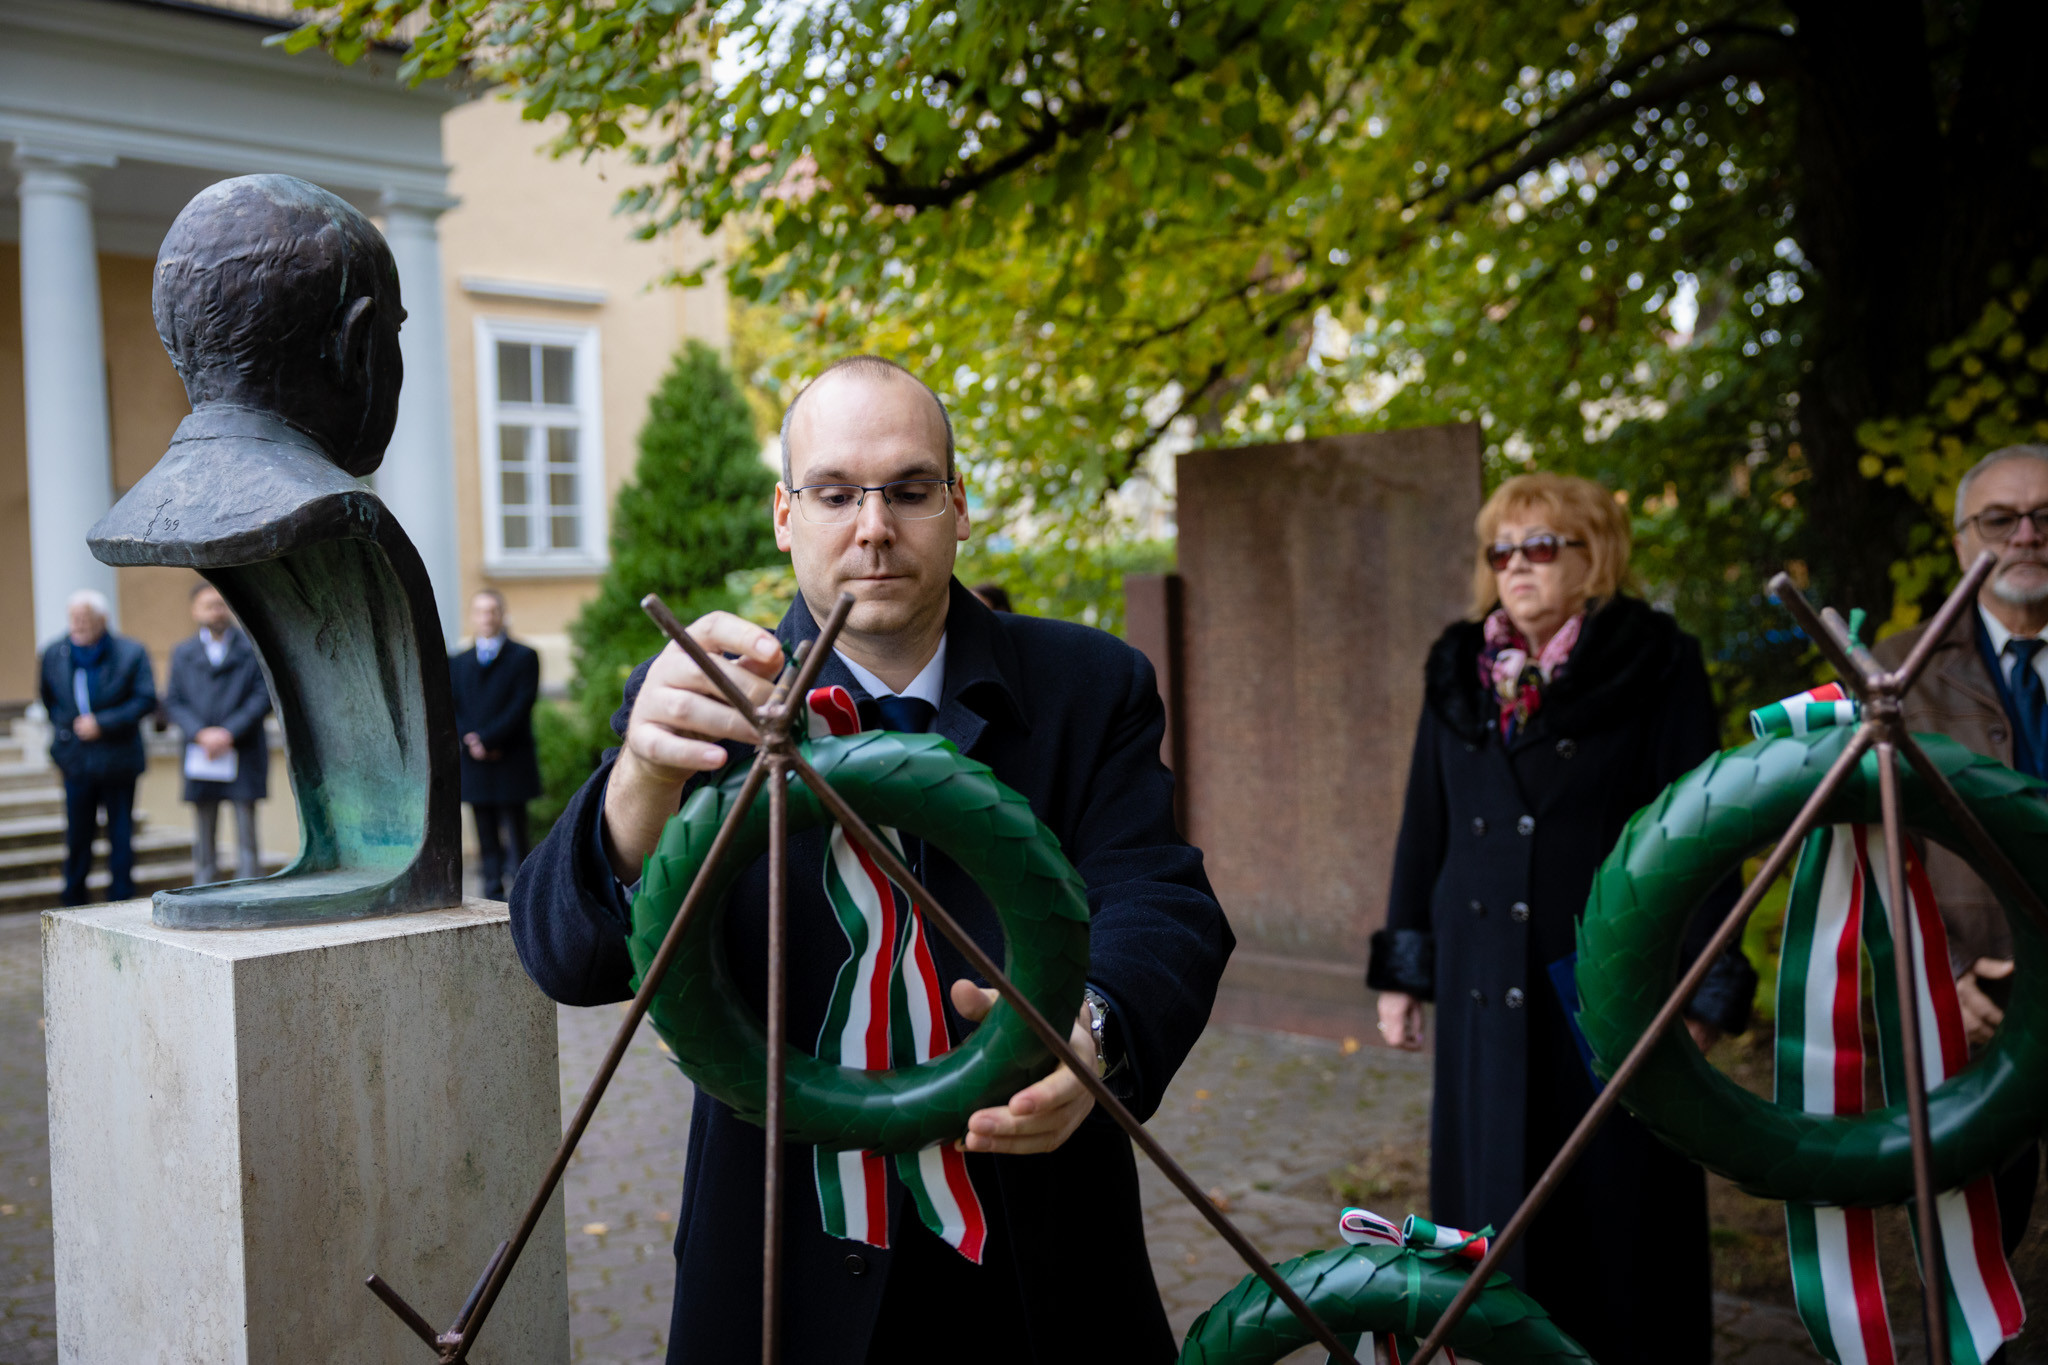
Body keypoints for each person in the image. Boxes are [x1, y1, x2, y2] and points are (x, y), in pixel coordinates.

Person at [511, 355, 1229, 1364]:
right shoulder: (701, 699)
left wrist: (1096, 1029)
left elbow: (1158, 896)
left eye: (909, 489)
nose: (874, 527)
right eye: (836, 493)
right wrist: (640, 777)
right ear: (784, 515)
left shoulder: (1088, 684)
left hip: (1032, 1253)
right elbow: (564, 956)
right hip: (781, 1265)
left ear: (959, 506)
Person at [1366, 472, 1753, 1364]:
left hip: (1607, 984)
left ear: (1594, 555)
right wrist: (1403, 975)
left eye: (1540, 546)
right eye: (1501, 549)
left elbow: (1704, 831)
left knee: (1615, 1214)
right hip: (1477, 978)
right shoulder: (1458, 670)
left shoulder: (1655, 661)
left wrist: (1702, 983)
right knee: (1492, 1206)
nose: (1516, 565)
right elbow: (1424, 823)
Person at [1870, 442, 2048, 1261]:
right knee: (1971, 1266)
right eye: (2000, 519)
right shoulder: (1893, 674)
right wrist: (1935, 976)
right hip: (1971, 1012)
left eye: (2045, 517)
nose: (2026, 535)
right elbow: (1865, 856)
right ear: (1961, 541)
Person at [38, 590, 158, 906]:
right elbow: (49, 700)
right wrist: (66, 737)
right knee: (78, 835)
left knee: (120, 834)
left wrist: (102, 723)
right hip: (76, 761)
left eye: (85, 618)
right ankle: (73, 900)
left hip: (119, 759)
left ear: (103, 619)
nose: (78, 624)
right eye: (74, 618)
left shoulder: (130, 652)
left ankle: (121, 899)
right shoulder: (54, 653)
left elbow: (145, 699)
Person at [164, 582, 272, 884]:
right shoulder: (183, 653)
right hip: (201, 753)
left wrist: (228, 732)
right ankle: (204, 889)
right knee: (203, 830)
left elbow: (263, 695)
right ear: (195, 610)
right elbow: (173, 701)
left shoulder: (252, 649)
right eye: (209, 605)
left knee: (246, 830)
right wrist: (200, 734)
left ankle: (250, 891)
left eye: (221, 604)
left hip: (243, 748)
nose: (216, 611)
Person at [450, 589, 542, 899]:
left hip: (510, 756)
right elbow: (453, 706)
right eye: (480, 611)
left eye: (492, 611)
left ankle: (524, 893)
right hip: (474, 760)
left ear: (501, 615)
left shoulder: (524, 657)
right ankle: (491, 892)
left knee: (516, 830)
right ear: (472, 617)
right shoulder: (458, 662)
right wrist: (471, 739)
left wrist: (489, 739)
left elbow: (521, 705)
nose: (486, 618)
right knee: (484, 830)